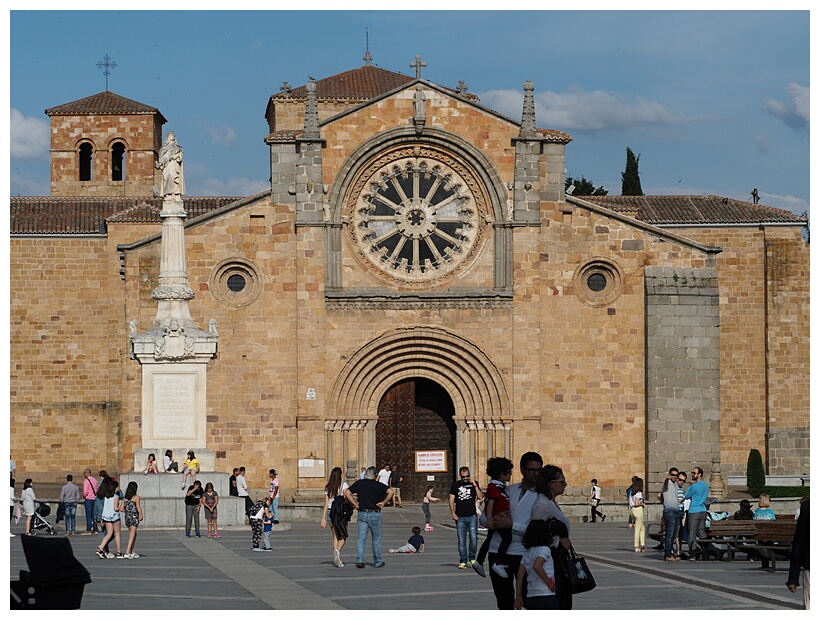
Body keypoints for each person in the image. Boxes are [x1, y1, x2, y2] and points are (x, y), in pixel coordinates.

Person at [486, 452, 543, 610]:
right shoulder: (506, 489)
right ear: (522, 470)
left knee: (526, 599)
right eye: (532, 470)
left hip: (522, 553)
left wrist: (511, 526)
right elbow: (484, 518)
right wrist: (494, 521)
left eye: (539, 470)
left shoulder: (542, 496)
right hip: (498, 552)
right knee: (503, 602)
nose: (536, 473)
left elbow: (538, 532)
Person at [531, 465, 573, 610]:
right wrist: (558, 540)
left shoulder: (550, 503)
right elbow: (536, 534)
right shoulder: (542, 505)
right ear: (550, 484)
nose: (565, 484)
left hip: (558, 558)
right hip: (551, 560)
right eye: (562, 481)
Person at [344, 465, 393, 568]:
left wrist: (355, 504)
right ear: (375, 476)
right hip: (375, 513)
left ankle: (360, 560)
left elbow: (347, 492)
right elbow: (391, 492)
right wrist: (383, 502)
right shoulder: (378, 485)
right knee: (376, 539)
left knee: (361, 539)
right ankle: (378, 561)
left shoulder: (360, 484)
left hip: (362, 513)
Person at [474, 456, 514, 578]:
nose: (511, 475)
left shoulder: (498, 486)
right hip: (498, 518)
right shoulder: (496, 487)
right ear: (502, 474)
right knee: (507, 538)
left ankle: (479, 561)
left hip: (498, 517)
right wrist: (490, 519)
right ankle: (499, 562)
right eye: (509, 473)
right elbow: (490, 502)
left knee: (489, 539)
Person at [514, 519, 558, 610]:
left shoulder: (527, 553)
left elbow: (520, 575)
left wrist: (518, 595)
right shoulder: (544, 550)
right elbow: (537, 566)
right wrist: (549, 583)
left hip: (531, 595)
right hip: (545, 594)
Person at [449, 465, 484, 570]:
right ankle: (463, 561)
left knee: (474, 538)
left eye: (467, 476)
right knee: (461, 540)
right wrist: (452, 513)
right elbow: (451, 500)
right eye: (463, 477)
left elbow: (481, 497)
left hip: (472, 516)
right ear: (460, 476)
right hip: (460, 516)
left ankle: (472, 558)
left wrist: (475, 485)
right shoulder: (455, 485)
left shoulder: (474, 484)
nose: (465, 478)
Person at [320, 466, 351, 568]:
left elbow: (326, 503)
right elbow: (347, 498)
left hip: (330, 512)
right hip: (340, 513)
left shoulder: (328, 487)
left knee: (335, 535)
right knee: (343, 536)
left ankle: (337, 558)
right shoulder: (343, 485)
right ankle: (337, 553)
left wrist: (323, 518)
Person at [786, 498, 809, 610]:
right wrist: (793, 578)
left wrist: (793, 578)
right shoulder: (808, 508)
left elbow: (799, 542)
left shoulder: (807, 507)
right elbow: (799, 542)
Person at [684, 466, 709, 561]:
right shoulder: (706, 485)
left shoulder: (694, 486)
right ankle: (705, 553)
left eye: (694, 473)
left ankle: (693, 554)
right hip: (703, 510)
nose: (692, 474)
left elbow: (687, 496)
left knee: (692, 533)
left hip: (694, 511)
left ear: (700, 475)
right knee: (702, 532)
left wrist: (691, 485)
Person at [96, 477, 124, 558]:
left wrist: (103, 518)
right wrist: (121, 508)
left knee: (108, 534)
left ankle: (100, 548)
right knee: (117, 534)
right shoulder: (116, 496)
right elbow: (116, 508)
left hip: (107, 517)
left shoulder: (106, 497)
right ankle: (119, 552)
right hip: (114, 517)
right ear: (115, 488)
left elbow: (105, 508)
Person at [661, 470, 683, 561]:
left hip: (676, 511)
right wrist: (667, 478)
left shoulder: (675, 485)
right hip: (669, 511)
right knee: (669, 534)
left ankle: (671, 553)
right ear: (670, 475)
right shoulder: (667, 483)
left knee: (674, 535)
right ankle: (667, 555)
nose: (675, 476)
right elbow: (665, 484)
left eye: (676, 475)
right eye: (673, 475)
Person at [156, 131, 185, 196]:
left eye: (173, 135)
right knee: (169, 178)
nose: (172, 136)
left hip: (174, 165)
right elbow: (163, 159)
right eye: (171, 135)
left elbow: (180, 158)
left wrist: (177, 157)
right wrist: (159, 164)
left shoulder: (178, 148)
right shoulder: (164, 149)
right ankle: (169, 195)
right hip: (168, 167)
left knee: (175, 179)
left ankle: (176, 195)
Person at [123, 481, 143, 558]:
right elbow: (138, 507)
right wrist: (141, 514)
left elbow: (121, 509)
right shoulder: (136, 497)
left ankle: (132, 551)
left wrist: (128, 510)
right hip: (134, 517)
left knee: (134, 534)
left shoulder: (125, 499)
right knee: (132, 534)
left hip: (127, 517)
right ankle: (127, 552)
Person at [630, 476, 647, 552]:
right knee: (637, 529)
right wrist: (642, 504)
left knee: (642, 528)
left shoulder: (631, 492)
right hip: (638, 510)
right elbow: (637, 503)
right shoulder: (639, 493)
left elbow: (631, 503)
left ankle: (643, 545)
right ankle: (636, 546)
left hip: (632, 510)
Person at [81, 469, 99, 534]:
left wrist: (84, 497)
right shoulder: (95, 480)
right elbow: (97, 490)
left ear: (86, 473)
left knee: (88, 515)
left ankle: (89, 529)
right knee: (94, 515)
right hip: (94, 498)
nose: (83, 475)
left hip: (88, 499)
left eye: (84, 473)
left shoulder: (86, 481)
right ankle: (95, 529)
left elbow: (85, 492)